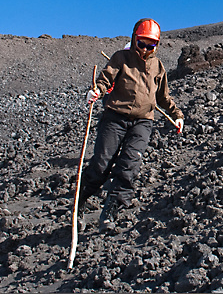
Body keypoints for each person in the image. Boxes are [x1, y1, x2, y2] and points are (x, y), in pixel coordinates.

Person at [77, 18, 184, 233]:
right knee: (101, 164)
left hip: (143, 122)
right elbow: (107, 77)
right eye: (142, 43)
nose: (145, 49)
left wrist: (177, 115)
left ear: (157, 44)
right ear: (134, 39)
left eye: (150, 45)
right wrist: (97, 90)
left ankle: (110, 213)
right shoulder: (121, 58)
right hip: (115, 117)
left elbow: (163, 97)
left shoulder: (158, 66)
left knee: (129, 166)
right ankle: (79, 204)